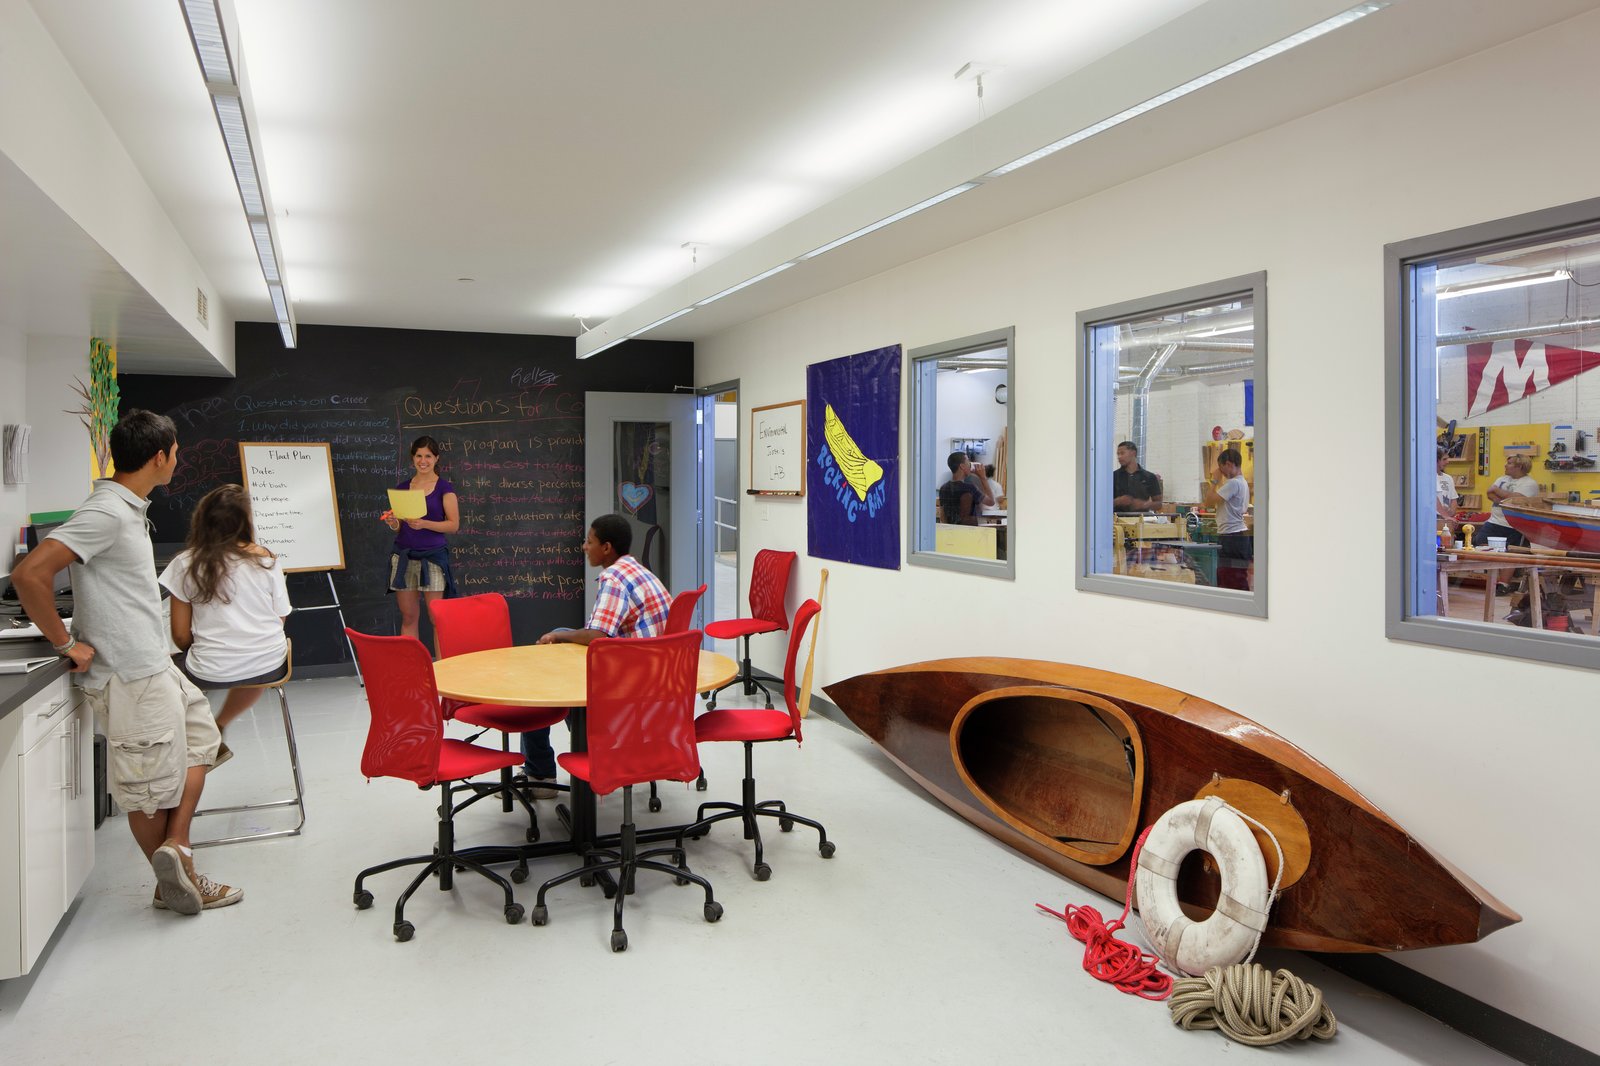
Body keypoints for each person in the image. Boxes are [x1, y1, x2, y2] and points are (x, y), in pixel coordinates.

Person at [10, 410, 240, 915]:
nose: (178, 460)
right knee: (147, 791)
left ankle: (174, 848)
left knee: (203, 742)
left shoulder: (128, 507)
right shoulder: (107, 511)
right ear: (159, 457)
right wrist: (63, 643)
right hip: (130, 676)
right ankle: (180, 883)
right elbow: (30, 573)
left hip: (154, 663)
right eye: (176, 452)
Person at [524, 513, 672, 796]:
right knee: (561, 636)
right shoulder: (638, 570)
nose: (583, 546)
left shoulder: (615, 578)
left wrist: (559, 636)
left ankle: (540, 774)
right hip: (653, 673)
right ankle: (585, 745)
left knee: (539, 681)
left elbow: (597, 636)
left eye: (589, 541)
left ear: (606, 548)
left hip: (630, 679)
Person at [159, 484, 292, 766]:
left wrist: (213, 648)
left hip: (208, 668)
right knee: (254, 665)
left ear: (202, 519)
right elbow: (279, 618)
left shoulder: (185, 564)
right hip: (269, 662)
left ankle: (199, 736)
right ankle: (218, 724)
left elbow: (181, 635)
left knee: (161, 670)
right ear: (246, 522)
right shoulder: (266, 560)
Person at [382, 435, 459, 641]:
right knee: (408, 616)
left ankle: (443, 669)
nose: (423, 461)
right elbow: (400, 527)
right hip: (404, 557)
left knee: (437, 618)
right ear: (412, 458)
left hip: (433, 558)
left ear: (436, 459)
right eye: (418, 456)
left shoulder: (444, 488)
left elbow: (453, 525)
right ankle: (412, 669)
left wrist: (424, 523)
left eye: (428, 456)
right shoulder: (402, 488)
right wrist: (393, 523)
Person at [1206, 447, 1252, 590]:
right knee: (1236, 578)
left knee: (1230, 580)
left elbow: (1208, 501)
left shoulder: (1234, 483)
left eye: (1222, 468)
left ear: (1229, 464)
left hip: (1232, 538)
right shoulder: (1242, 482)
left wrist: (1214, 480)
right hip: (1238, 537)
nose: (1222, 474)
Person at [1473, 454, 1539, 548]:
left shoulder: (1529, 483)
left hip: (1513, 527)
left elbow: (1515, 499)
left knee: (1508, 551)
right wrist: (1505, 501)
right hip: (1494, 522)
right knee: (1479, 543)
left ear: (1519, 466)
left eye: (1509, 463)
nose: (1505, 465)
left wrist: (1497, 490)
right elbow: (1489, 493)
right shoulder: (1502, 479)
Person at [938, 451, 992, 524]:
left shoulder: (943, 488)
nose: (970, 464)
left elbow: (942, 516)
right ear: (962, 466)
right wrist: (983, 478)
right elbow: (991, 502)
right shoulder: (970, 488)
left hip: (951, 532)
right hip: (969, 532)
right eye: (968, 461)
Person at [1113, 441, 1164, 513]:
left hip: (1141, 521)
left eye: (1122, 453)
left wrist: (1144, 504)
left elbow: (1159, 504)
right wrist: (1117, 501)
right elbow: (1101, 503)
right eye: (1118, 454)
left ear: (1133, 453)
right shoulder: (1113, 477)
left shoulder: (1149, 477)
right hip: (1117, 521)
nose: (1119, 457)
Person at [1435, 446, 1460, 537]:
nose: (1447, 462)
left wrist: (1451, 513)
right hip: (1435, 519)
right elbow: (1433, 498)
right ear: (1436, 460)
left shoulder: (1448, 478)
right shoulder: (1429, 476)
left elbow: (1454, 498)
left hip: (1446, 518)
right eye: (1444, 459)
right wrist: (1445, 516)